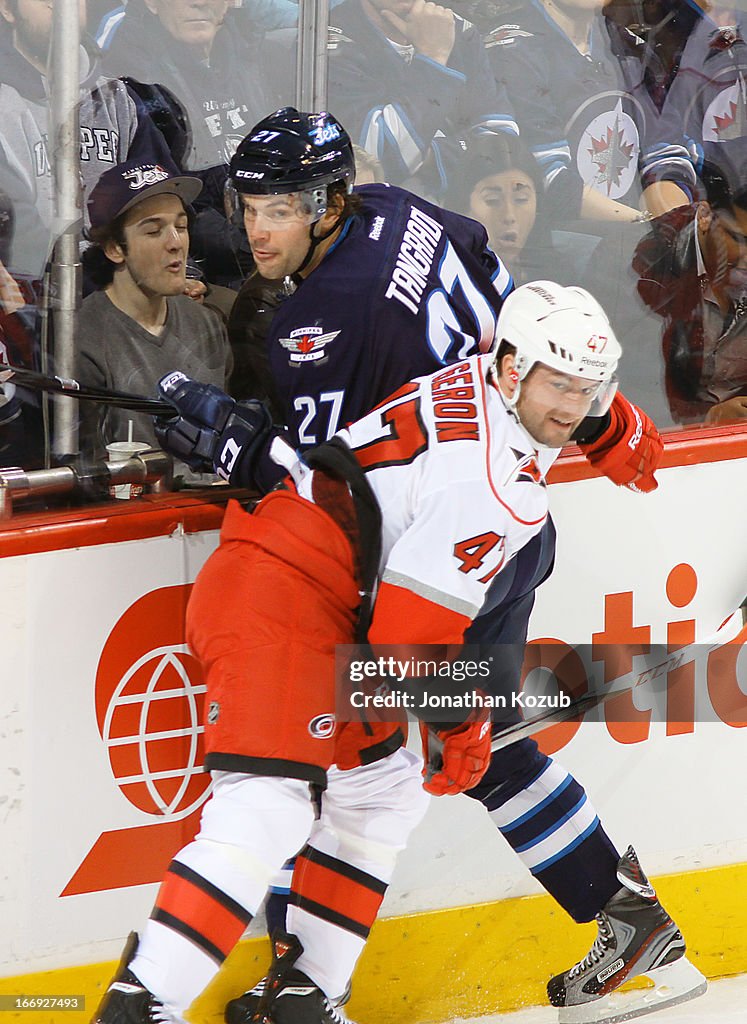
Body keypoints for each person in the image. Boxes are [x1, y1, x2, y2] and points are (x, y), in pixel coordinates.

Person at [152, 111, 703, 1024]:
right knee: (445, 740)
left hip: (438, 547)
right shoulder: (403, 212)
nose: (256, 225)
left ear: (326, 204)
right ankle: (622, 920)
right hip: (489, 527)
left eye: (281, 205)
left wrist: (244, 446)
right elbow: (513, 328)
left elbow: (320, 484)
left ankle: (305, 987)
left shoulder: (320, 320)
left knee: (353, 736)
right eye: (252, 203)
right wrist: (602, 425)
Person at [220, 107, 513, 451]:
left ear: (331, 209)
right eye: (251, 210)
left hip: (433, 481)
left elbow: (323, 478)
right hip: (498, 432)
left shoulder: (320, 321)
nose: (258, 233)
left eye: (279, 213)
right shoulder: (387, 200)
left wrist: (237, 451)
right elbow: (484, 258)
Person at [101, 0, 281, 288]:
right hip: (202, 264)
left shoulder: (255, 54)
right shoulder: (131, 74)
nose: (199, 3)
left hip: (263, 240)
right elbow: (155, 197)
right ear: (152, 4)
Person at [0, 0, 174, 280]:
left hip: (127, 278)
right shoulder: (5, 104)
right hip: (38, 295)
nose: (60, 8)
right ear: (8, 9)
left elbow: (161, 196)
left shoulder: (117, 97)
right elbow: (18, 234)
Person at [76, 158, 232, 456]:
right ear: (114, 248)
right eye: (153, 231)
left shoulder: (207, 324)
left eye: (181, 226)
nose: (176, 242)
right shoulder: (85, 339)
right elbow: (85, 470)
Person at [325, 0, 518, 199]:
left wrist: (430, 156)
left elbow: (503, 140)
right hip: (377, 208)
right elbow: (378, 162)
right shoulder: (329, 39)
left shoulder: (459, 29)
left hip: (465, 202)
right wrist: (434, 57)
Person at [632, 157, 747, 424]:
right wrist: (709, 418)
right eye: (739, 239)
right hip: (668, 442)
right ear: (705, 217)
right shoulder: (646, 268)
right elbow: (631, 385)